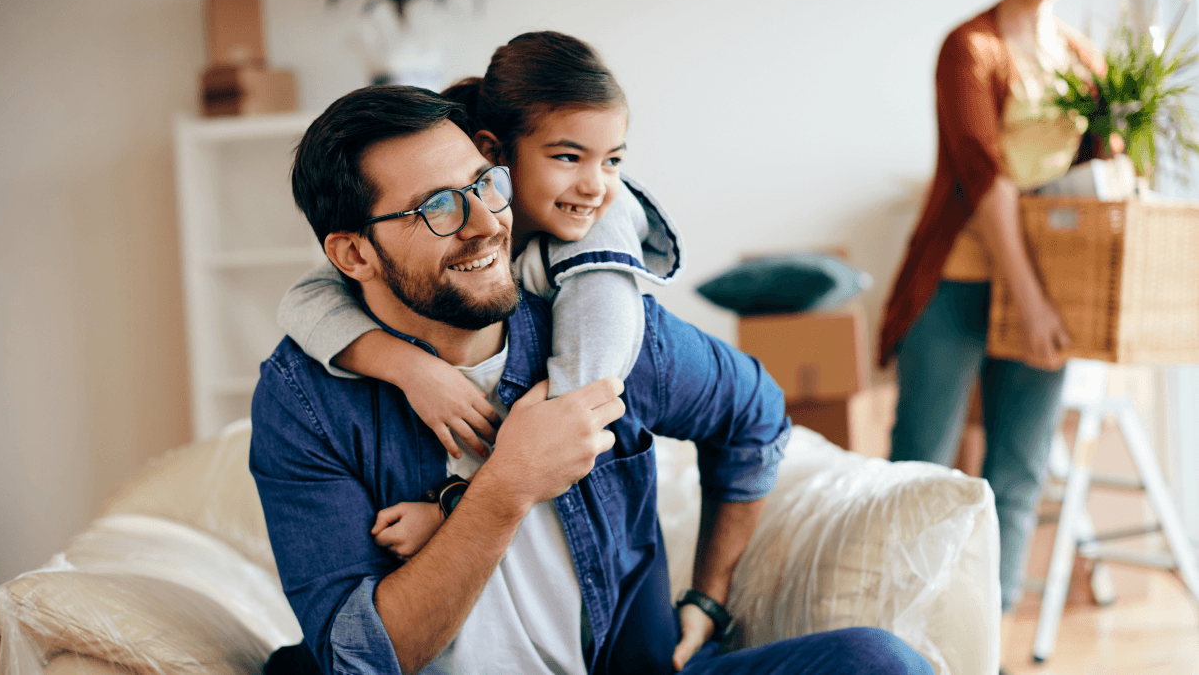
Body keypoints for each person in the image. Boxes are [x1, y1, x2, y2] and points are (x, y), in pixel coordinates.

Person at [250, 84, 933, 675]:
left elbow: (753, 412)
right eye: (437, 208)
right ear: (354, 254)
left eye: (485, 184)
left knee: (880, 662)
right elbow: (359, 658)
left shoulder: (599, 328)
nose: (487, 224)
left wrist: (709, 597)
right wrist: (507, 486)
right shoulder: (304, 401)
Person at [275, 31, 682, 563]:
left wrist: (459, 505)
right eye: (568, 157)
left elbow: (568, 421)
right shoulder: (299, 395)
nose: (596, 187)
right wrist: (409, 368)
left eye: (613, 160)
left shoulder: (597, 235)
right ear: (492, 150)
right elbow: (305, 298)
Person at [879, 0, 1117, 617]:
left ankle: (988, 640)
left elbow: (1102, 172)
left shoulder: (1085, 60)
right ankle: (897, 637)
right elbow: (984, 179)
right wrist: (1030, 302)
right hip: (958, 281)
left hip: (1048, 290)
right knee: (921, 466)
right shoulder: (970, 49)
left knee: (1019, 469)